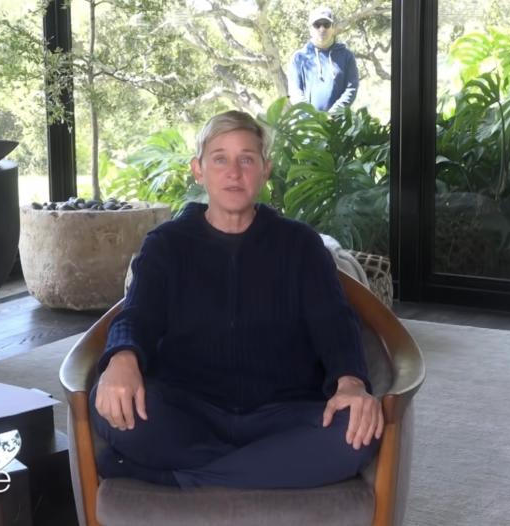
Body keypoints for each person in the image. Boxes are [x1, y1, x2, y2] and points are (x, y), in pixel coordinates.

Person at [90, 110, 382, 489]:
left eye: (247, 159)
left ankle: (172, 476)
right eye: (220, 158)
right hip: (188, 409)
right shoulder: (167, 245)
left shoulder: (300, 245)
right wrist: (122, 358)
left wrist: (351, 384)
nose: (234, 171)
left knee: (358, 434)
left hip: (285, 412)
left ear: (265, 169)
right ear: (199, 170)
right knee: (109, 404)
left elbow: (335, 323)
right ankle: (261, 471)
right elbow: (137, 314)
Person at [288, 6, 360, 114]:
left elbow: (351, 88)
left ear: (333, 28)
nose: (322, 29)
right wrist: (313, 117)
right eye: (317, 25)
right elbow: (295, 92)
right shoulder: (299, 58)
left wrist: (334, 113)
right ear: (310, 29)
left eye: (326, 24)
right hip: (308, 125)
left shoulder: (347, 56)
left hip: (339, 124)